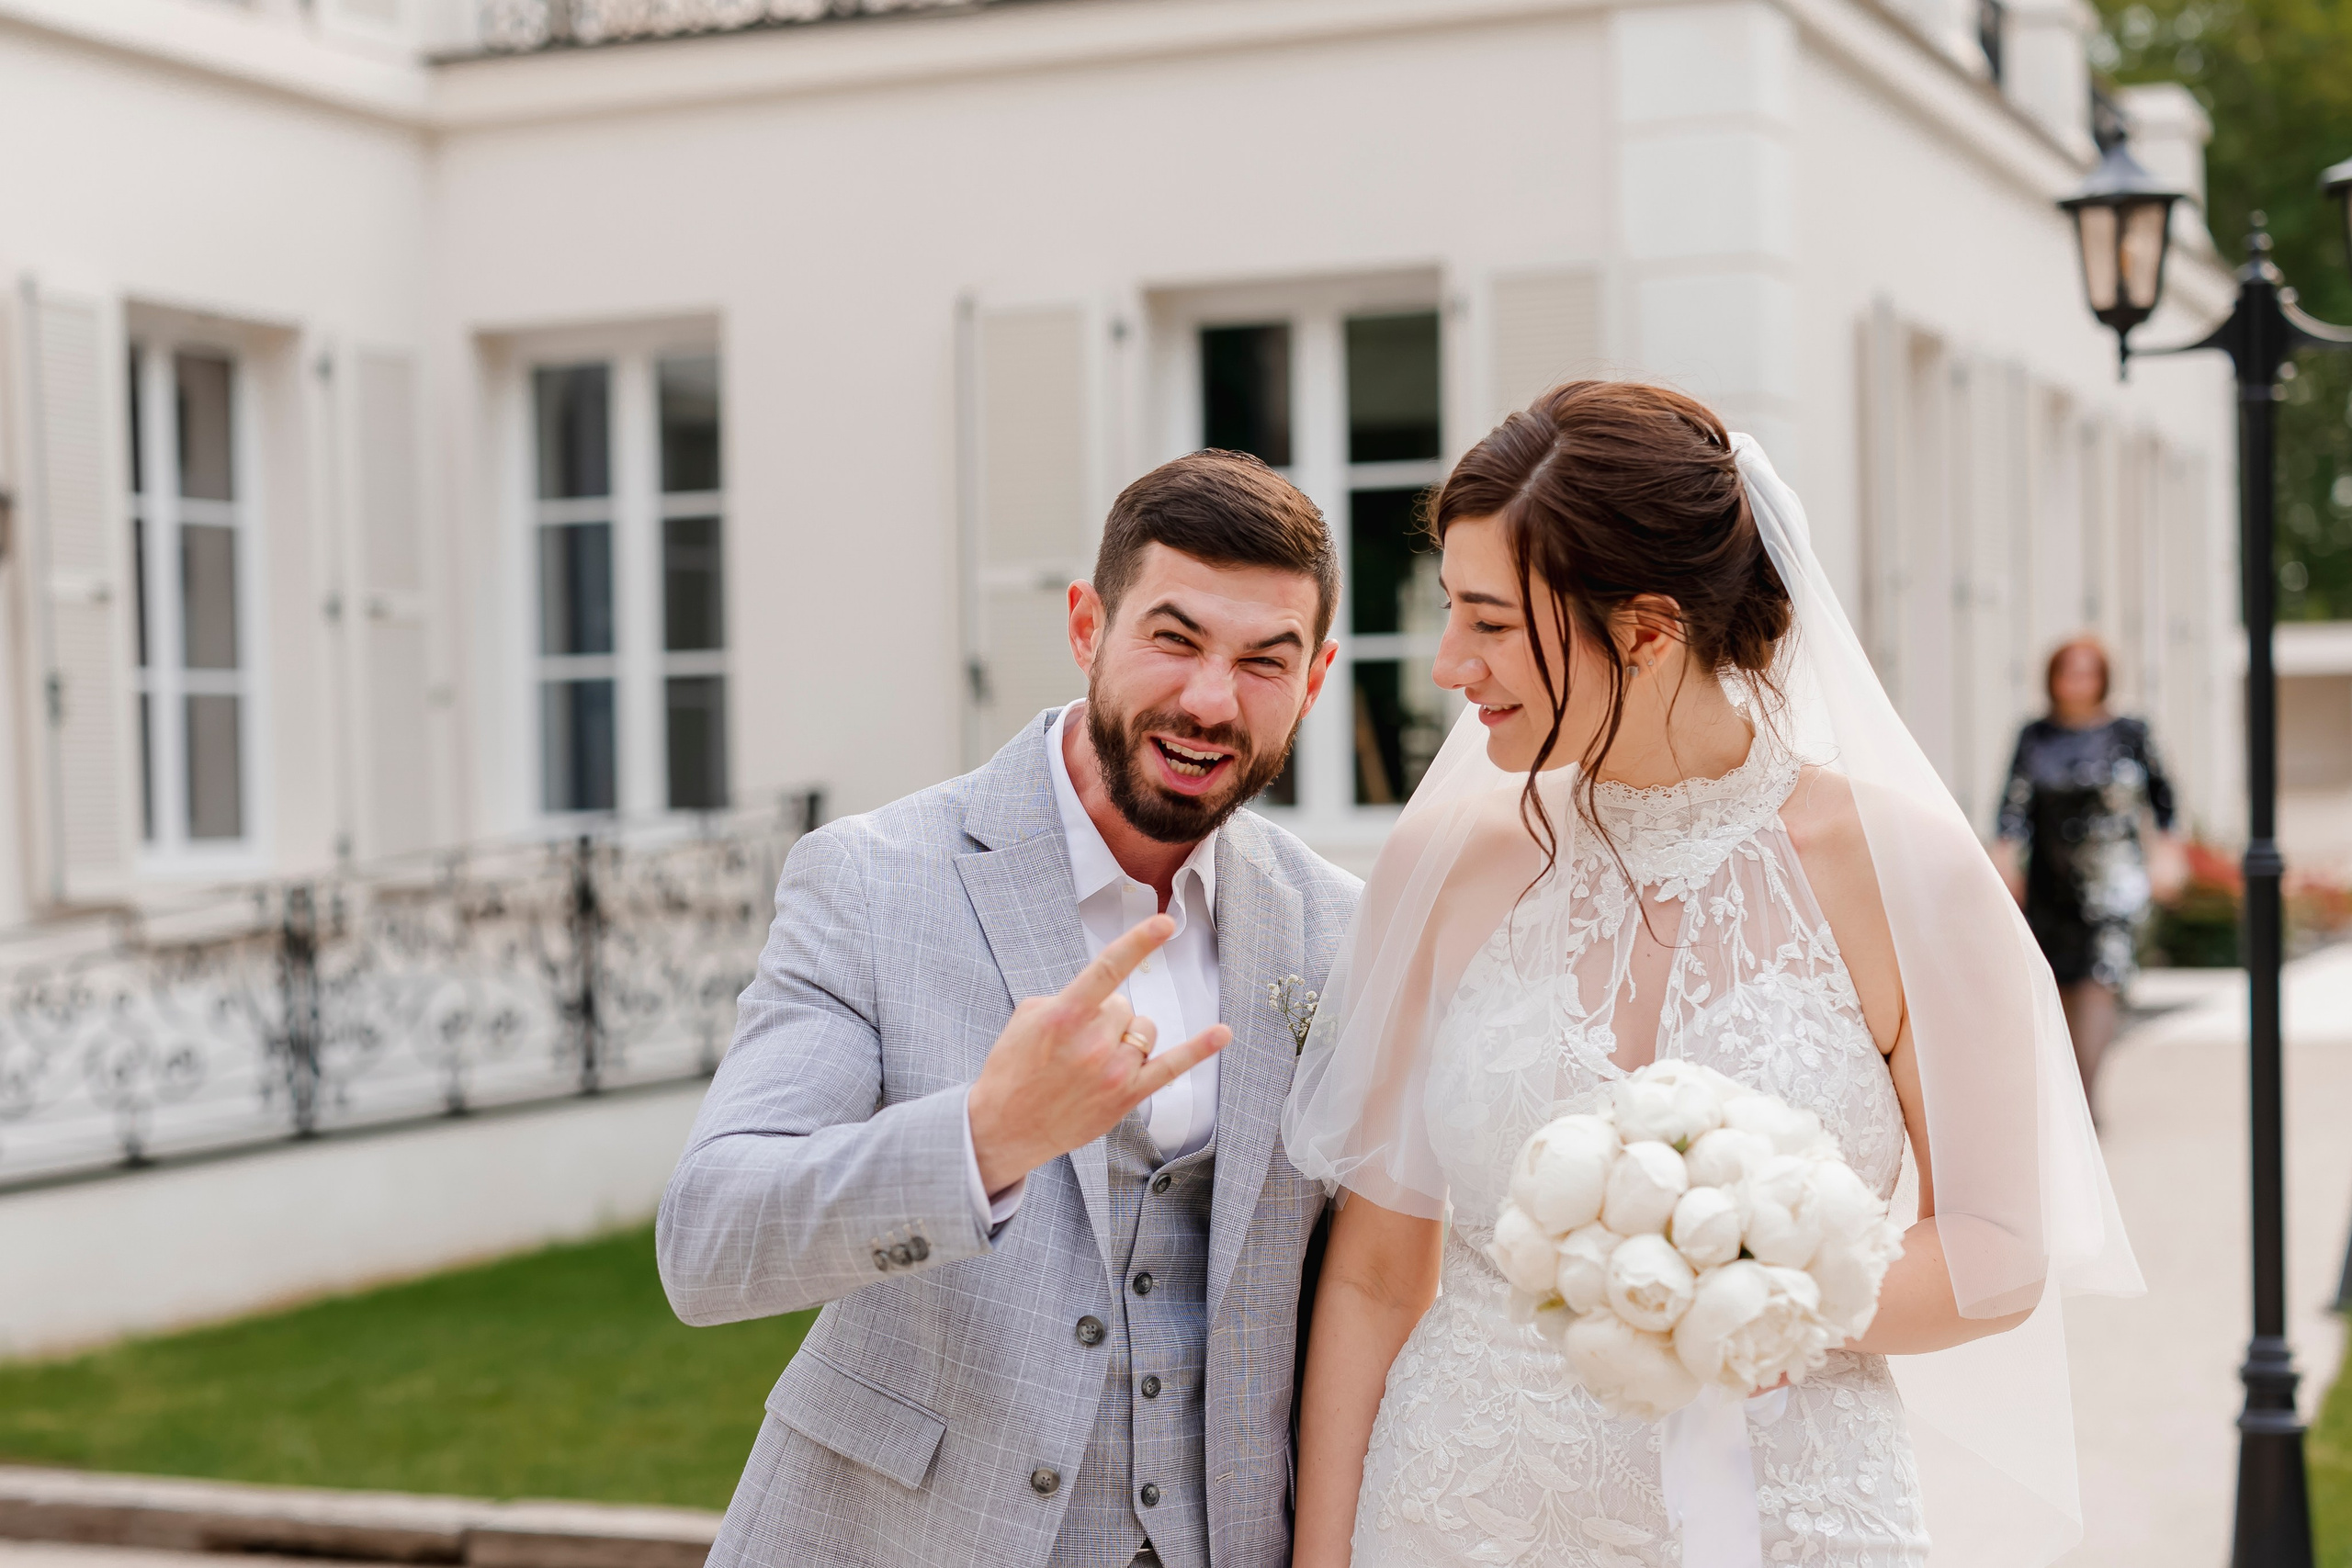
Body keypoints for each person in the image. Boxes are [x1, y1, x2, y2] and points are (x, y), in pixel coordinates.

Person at [1281, 382, 2140, 1567]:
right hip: (1457, 1512)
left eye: (1487, 621)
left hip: (1787, 1512)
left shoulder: (1906, 876)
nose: (1444, 663)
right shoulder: (1441, 865)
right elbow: (1377, 1276)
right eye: (1447, 611)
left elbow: (1994, 1252)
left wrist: (1732, 1290)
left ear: (1644, 628)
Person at [657, 450, 1360, 1568]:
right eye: (1171, 639)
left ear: (1315, 680)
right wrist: (985, 1141)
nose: (1209, 700)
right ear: (1086, 626)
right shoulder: (875, 880)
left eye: (1263, 662)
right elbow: (710, 1242)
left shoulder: (1339, 932)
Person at [1995, 636, 2181, 1106]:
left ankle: (2085, 1097)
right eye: (2068, 671)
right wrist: (2003, 861)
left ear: (2103, 679)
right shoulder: (2034, 735)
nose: (2077, 681)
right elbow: (2012, 806)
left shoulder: (2129, 732)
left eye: (2087, 671)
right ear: (2052, 678)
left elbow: (2164, 800)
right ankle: (2065, 1092)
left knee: (2100, 978)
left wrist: (2167, 857)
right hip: (2050, 879)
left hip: (2113, 881)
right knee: (2057, 982)